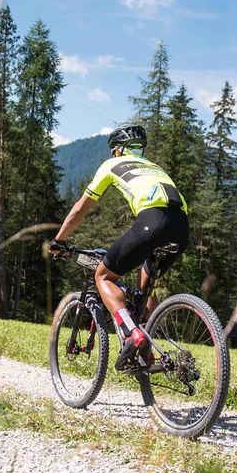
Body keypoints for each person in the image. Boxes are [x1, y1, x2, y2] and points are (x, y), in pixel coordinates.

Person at [49, 125, 189, 371]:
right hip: (181, 228)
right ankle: (150, 355)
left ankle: (131, 333)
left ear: (118, 150)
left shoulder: (111, 165)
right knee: (144, 288)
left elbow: (81, 208)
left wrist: (59, 240)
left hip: (152, 221)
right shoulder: (154, 167)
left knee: (104, 275)